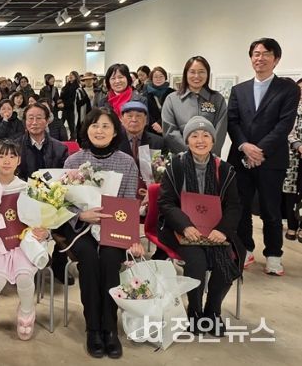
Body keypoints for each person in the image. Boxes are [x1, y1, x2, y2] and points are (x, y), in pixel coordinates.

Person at [55, 107, 143, 359]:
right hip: (80, 228)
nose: (100, 130)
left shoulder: (126, 162)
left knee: (110, 259)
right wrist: (82, 215)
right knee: (89, 260)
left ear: (115, 131)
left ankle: (110, 328)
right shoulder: (73, 161)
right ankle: (93, 328)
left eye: (106, 126)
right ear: (87, 129)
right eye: (95, 125)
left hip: (115, 227)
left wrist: (133, 238)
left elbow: (129, 202)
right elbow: (61, 203)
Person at [158, 117, 245, 336]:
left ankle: (212, 311)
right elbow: (166, 203)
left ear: (213, 140)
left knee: (227, 260)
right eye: (194, 136)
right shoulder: (175, 166)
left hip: (215, 230)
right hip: (180, 229)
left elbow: (234, 206)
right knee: (196, 261)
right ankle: (194, 311)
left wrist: (222, 230)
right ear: (187, 140)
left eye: (206, 135)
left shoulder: (225, 169)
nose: (200, 140)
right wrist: (185, 226)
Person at [228, 38, 300, 275]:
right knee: (241, 207)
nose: (260, 58)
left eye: (266, 53)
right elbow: (233, 121)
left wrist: (259, 150)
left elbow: (285, 124)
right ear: (251, 58)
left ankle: (273, 255)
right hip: (241, 158)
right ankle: (245, 249)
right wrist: (245, 146)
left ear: (276, 59)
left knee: (271, 210)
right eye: (256, 54)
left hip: (272, 159)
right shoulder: (239, 90)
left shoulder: (288, 89)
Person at [0, 139, 48, 341]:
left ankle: (26, 312)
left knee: (24, 277)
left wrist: (43, 229)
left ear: (19, 160)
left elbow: (39, 217)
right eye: (2, 156)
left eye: (12, 156)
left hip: (22, 244)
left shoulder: (27, 187)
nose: (7, 161)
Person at [162, 56, 228, 155]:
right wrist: (190, 154)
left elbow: (220, 131)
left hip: (210, 158)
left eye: (201, 72)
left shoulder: (218, 99)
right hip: (181, 158)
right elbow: (169, 131)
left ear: (207, 74)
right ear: (186, 74)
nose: (197, 76)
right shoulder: (172, 99)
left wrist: (207, 155)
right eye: (192, 72)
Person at [118, 101, 164, 196]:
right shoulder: (114, 142)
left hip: (148, 193)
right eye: (129, 116)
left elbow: (161, 174)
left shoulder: (158, 142)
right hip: (120, 193)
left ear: (146, 120)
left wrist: (153, 192)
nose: (134, 120)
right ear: (121, 119)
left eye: (138, 116)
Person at [16, 103, 68, 180]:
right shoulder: (15, 147)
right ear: (25, 122)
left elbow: (64, 176)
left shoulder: (60, 149)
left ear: (47, 121)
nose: (34, 122)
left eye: (39, 118)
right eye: (30, 118)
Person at [283, 78, 302, 242]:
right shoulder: (291, 107)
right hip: (293, 157)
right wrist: (299, 146)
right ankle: (292, 225)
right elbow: (288, 131)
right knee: (290, 192)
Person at [144, 66, 174, 135]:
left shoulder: (172, 93)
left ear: (165, 78)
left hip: (169, 126)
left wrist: (160, 123)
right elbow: (145, 112)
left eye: (161, 76)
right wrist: (154, 124)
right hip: (151, 128)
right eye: (155, 77)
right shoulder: (146, 94)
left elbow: (174, 110)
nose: (158, 79)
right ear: (151, 78)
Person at [59, 71, 81, 140]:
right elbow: (62, 96)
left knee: (72, 125)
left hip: (72, 109)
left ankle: (73, 140)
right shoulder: (66, 86)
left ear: (76, 77)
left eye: (72, 75)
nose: (70, 76)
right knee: (61, 124)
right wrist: (60, 101)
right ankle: (61, 137)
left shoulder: (77, 87)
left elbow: (73, 99)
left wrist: (64, 104)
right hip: (65, 108)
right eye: (70, 75)